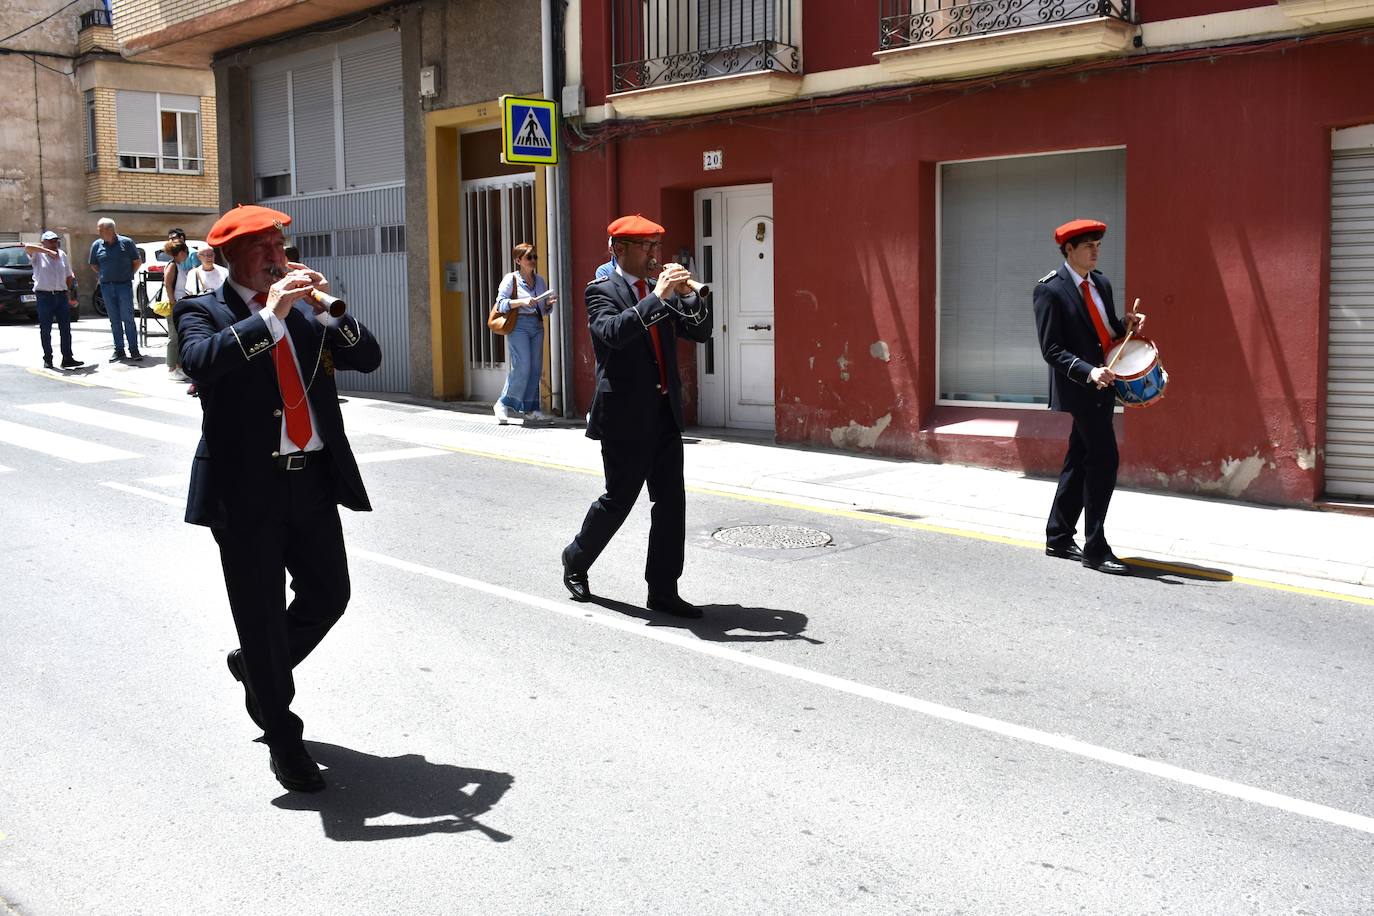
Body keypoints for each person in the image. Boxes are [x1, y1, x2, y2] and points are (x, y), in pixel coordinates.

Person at [174, 204, 382, 793]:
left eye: (279, 246)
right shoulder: (203, 309)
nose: (277, 256)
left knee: (329, 595)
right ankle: (284, 739)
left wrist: (328, 309)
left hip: (311, 479)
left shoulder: (303, 311)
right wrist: (269, 314)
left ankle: (256, 666)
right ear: (229, 256)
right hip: (246, 490)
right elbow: (199, 362)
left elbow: (368, 358)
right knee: (260, 612)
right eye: (262, 248)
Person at [561, 214, 713, 617]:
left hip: (664, 413)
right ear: (619, 249)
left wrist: (693, 298)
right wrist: (657, 299)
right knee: (618, 501)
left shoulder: (657, 291)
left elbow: (698, 332)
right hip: (624, 417)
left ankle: (663, 589)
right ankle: (575, 559)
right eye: (646, 247)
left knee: (671, 504)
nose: (653, 254)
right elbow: (611, 335)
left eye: (655, 246)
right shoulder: (601, 291)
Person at [1033, 218, 1145, 576]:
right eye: (1088, 246)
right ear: (1069, 250)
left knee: (1079, 458)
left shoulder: (1102, 284)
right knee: (1104, 460)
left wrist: (1124, 326)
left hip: (1104, 385)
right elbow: (1051, 349)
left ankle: (1059, 535)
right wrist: (1088, 371)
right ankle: (1095, 547)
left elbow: (1104, 333)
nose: (1096, 251)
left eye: (1098, 245)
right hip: (1081, 387)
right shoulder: (1050, 290)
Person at [493, 242, 557, 424]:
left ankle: (530, 409)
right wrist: (521, 302)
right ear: (518, 260)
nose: (533, 260)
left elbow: (542, 311)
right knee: (523, 366)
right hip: (519, 325)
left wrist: (548, 304)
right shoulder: (510, 279)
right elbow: (500, 304)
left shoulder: (540, 281)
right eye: (529, 257)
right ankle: (503, 402)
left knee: (536, 368)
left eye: (534, 256)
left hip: (536, 325)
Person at [23, 231, 83, 370]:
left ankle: (67, 357)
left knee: (65, 329)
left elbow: (69, 275)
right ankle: (48, 358)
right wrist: (47, 251)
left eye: (55, 241)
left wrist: (66, 291)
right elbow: (27, 247)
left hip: (61, 295)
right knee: (46, 329)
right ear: (44, 242)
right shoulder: (38, 255)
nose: (54, 244)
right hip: (45, 296)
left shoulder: (62, 255)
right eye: (50, 241)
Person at [88, 217, 143, 362]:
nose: (98, 232)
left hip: (123, 285)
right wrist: (102, 274)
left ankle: (134, 350)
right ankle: (119, 351)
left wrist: (128, 274)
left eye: (101, 230)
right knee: (114, 320)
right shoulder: (97, 245)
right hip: (106, 286)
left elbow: (137, 262)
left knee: (128, 318)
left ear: (110, 230)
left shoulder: (126, 243)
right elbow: (93, 264)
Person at [162, 240, 193, 385]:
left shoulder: (178, 266)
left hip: (180, 305)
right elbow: (167, 284)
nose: (187, 255)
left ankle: (179, 367)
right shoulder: (173, 266)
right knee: (174, 338)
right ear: (181, 253)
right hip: (174, 306)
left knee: (180, 337)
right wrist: (173, 301)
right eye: (186, 253)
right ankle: (171, 368)